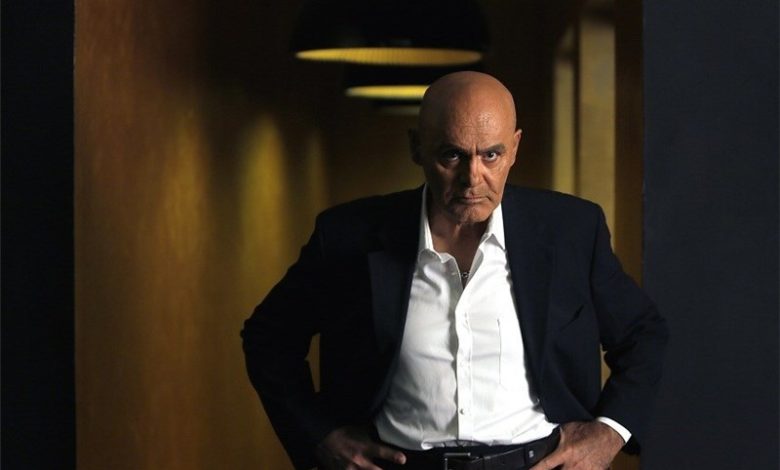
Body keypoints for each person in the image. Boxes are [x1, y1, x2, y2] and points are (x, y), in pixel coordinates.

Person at [242, 72, 668, 470]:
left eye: (491, 155)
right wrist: (320, 435)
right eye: (452, 155)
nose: (472, 178)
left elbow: (642, 333)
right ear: (417, 148)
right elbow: (269, 337)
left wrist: (609, 432)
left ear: (515, 148)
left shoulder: (571, 230)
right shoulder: (347, 236)